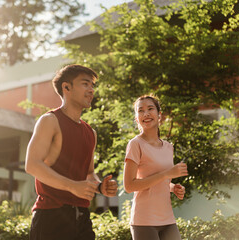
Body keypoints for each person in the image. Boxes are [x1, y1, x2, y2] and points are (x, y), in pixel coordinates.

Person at [25, 64, 118, 240]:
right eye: (85, 84)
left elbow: (89, 173)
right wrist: (72, 186)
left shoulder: (91, 133)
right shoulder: (49, 121)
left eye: (92, 85)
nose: (91, 90)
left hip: (82, 217)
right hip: (51, 217)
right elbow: (32, 165)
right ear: (66, 87)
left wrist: (99, 186)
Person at [123, 94, 188, 240]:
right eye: (140, 111)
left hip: (167, 219)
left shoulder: (168, 147)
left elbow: (158, 179)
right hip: (144, 221)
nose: (145, 113)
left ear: (159, 115)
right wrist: (166, 174)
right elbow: (129, 185)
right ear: (136, 118)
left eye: (150, 109)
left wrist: (172, 187)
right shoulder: (135, 144)